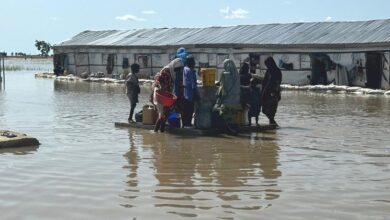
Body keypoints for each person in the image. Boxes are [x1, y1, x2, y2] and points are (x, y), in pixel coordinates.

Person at [213, 59, 241, 134]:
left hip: (227, 101)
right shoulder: (237, 75)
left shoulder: (224, 74)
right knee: (232, 120)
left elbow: (222, 89)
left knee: (215, 111)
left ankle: (225, 130)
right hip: (236, 102)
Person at [153, 59, 182, 132]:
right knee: (161, 114)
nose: (177, 71)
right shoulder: (166, 71)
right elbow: (159, 82)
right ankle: (156, 131)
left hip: (167, 96)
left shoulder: (173, 73)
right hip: (160, 95)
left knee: (165, 114)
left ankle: (160, 132)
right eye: (177, 69)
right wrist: (164, 91)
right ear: (174, 66)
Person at [261, 57, 282, 126]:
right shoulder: (274, 70)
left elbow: (270, 83)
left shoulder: (273, 71)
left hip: (271, 93)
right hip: (274, 93)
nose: (267, 66)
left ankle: (273, 125)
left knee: (267, 110)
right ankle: (273, 127)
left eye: (267, 64)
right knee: (268, 111)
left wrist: (264, 93)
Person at [182, 55, 199, 127]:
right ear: (190, 62)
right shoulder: (190, 71)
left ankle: (184, 124)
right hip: (190, 93)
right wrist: (196, 94)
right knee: (190, 109)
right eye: (193, 62)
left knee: (185, 109)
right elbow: (193, 84)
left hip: (185, 92)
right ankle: (188, 124)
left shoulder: (185, 68)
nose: (194, 63)